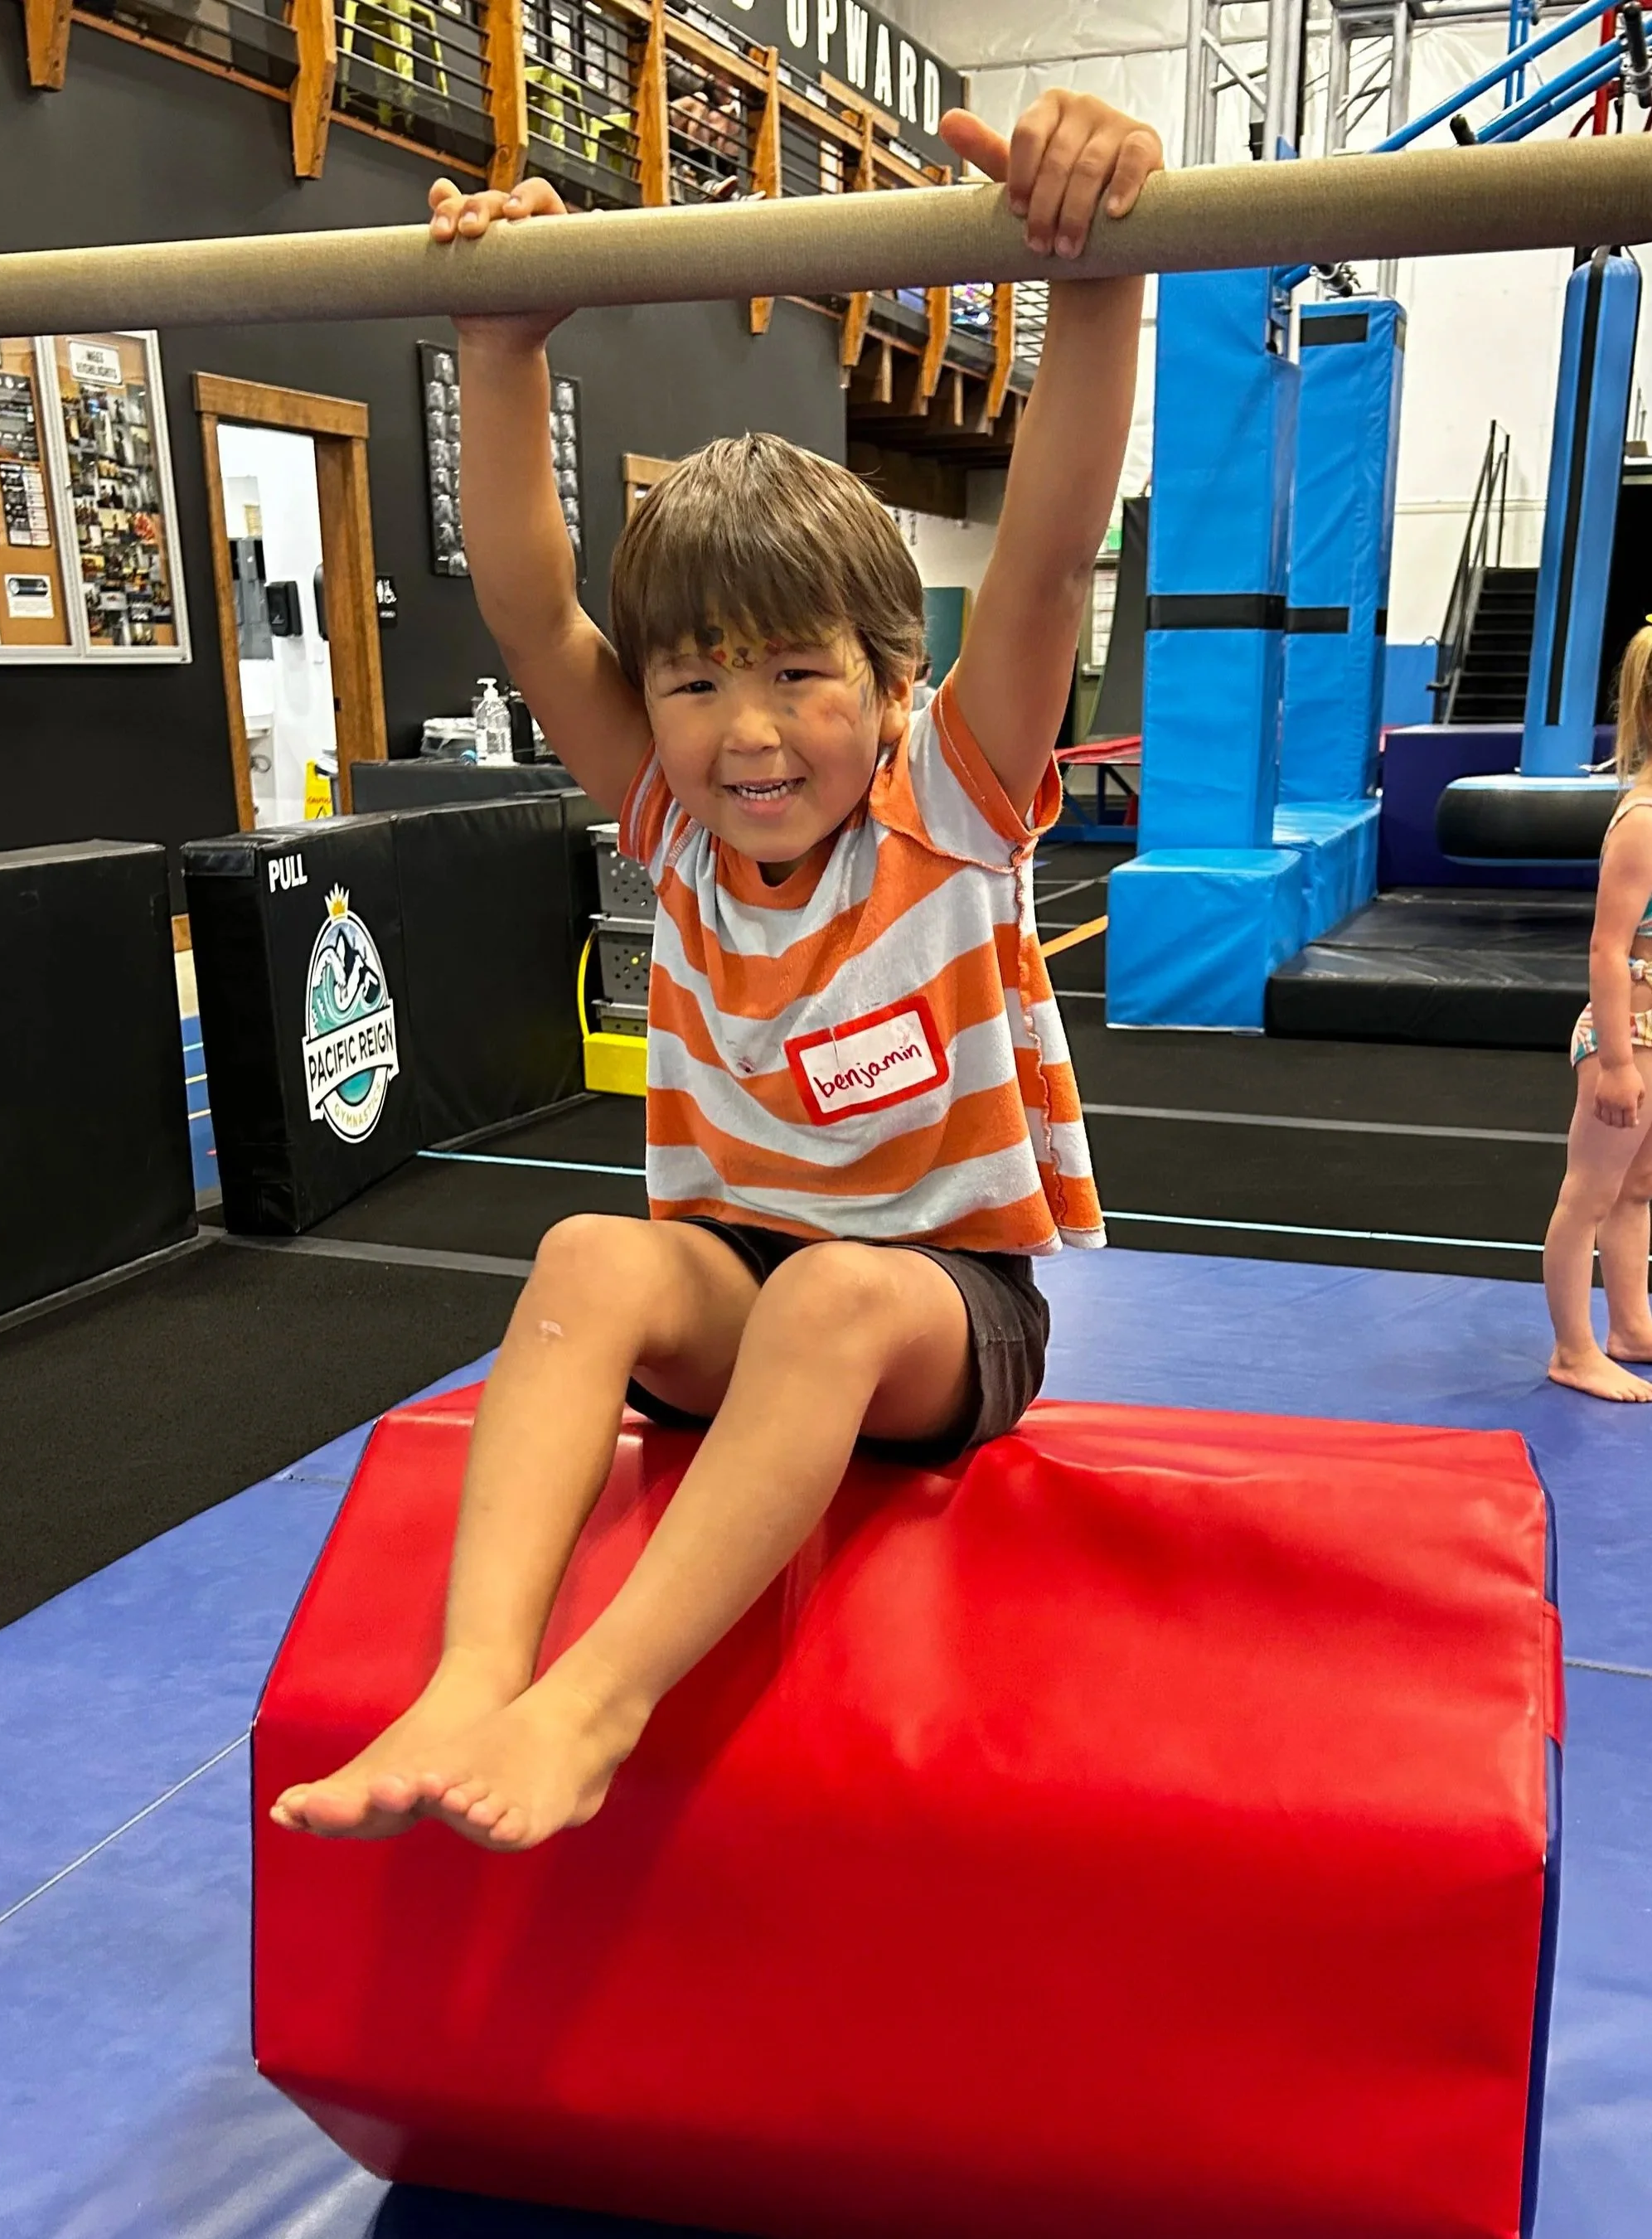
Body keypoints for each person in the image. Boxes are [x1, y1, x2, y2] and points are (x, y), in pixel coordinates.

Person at [273, 90, 1162, 1851]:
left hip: (931, 1316)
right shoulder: (677, 829)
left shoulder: (950, 805)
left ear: (894, 681)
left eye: (793, 678)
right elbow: (535, 613)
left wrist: (1097, 274)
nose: (746, 735)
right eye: (692, 687)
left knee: (835, 1297)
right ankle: (473, 1674)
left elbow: (1052, 550)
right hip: (739, 1291)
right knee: (595, 1252)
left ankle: (596, 1706)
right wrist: (500, 346)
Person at [1544, 623, 1652, 1401]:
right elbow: (1607, 949)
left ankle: (1629, 1325)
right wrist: (1614, 1059)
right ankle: (1572, 1349)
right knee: (1587, 1191)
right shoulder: (1643, 819)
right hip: (1630, 1034)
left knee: (1638, 1188)